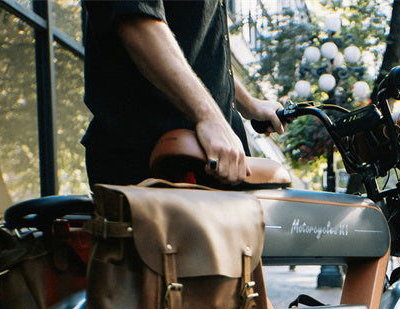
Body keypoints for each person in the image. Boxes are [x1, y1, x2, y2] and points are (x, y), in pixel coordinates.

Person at [80, 1, 285, 309]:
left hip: (198, 153)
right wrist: (209, 115)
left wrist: (243, 103)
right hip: (154, 148)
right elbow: (134, 18)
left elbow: (189, 40)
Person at [81, 1, 284, 187]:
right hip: (153, 164)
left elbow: (193, 57)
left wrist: (250, 105)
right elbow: (137, 22)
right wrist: (210, 117)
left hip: (216, 163)